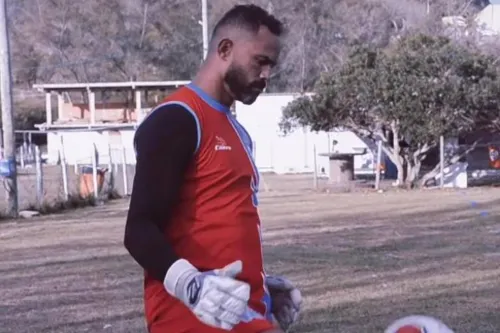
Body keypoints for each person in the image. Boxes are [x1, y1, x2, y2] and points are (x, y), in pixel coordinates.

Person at [124, 4, 302, 333]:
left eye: (271, 66)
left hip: (239, 313)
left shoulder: (237, 130)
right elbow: (139, 229)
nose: (266, 76)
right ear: (224, 49)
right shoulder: (177, 118)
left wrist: (259, 287)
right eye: (260, 61)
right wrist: (191, 285)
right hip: (192, 318)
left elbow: (222, 225)